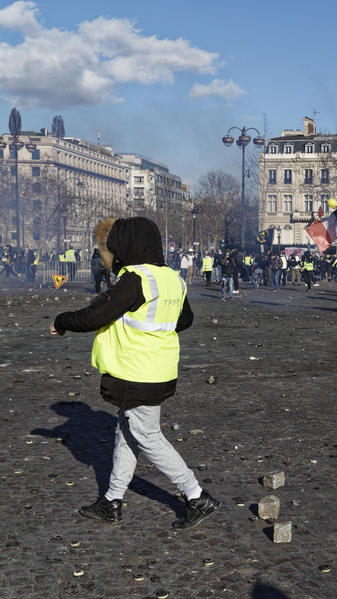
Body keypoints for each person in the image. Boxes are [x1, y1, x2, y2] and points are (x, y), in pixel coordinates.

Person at [49, 217, 219, 529]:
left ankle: (196, 495)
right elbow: (185, 320)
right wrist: (156, 333)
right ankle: (112, 500)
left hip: (138, 371)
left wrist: (61, 321)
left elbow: (95, 315)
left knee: (147, 435)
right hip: (160, 369)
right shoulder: (171, 279)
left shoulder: (135, 280)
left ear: (127, 245)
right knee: (127, 430)